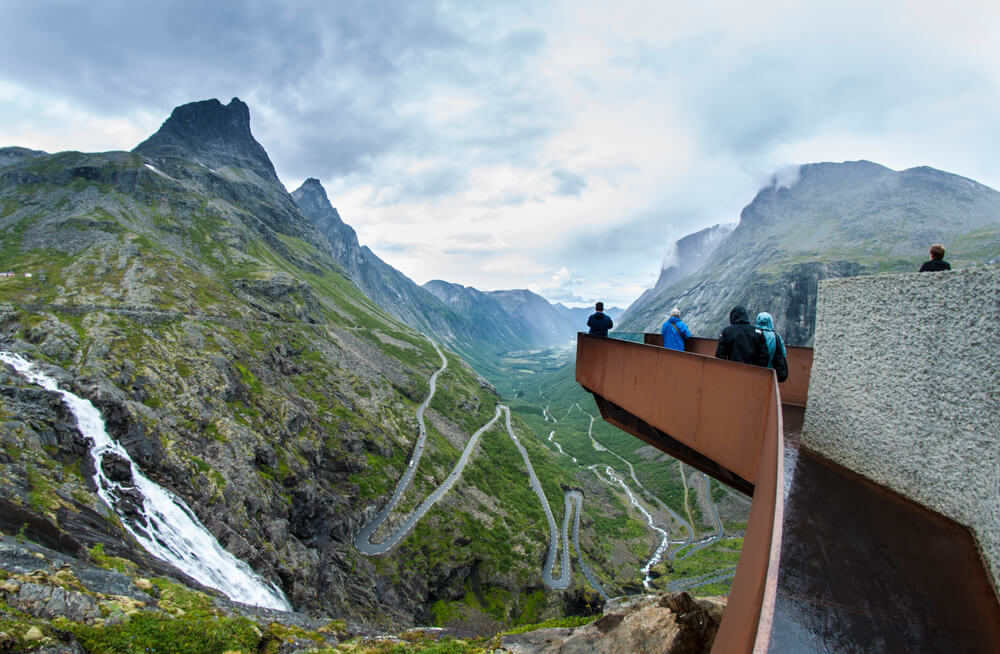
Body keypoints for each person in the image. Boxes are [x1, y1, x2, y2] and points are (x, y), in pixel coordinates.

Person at [754, 312, 788, 382]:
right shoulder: (777, 337)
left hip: (756, 371)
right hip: (771, 372)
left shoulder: (755, 334)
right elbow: (783, 354)